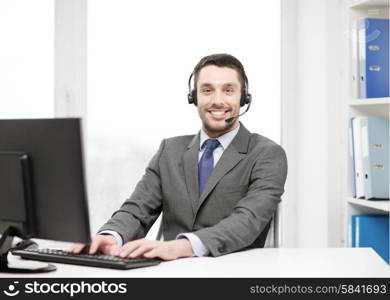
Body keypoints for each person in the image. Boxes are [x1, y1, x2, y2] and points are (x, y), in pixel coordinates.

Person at [67, 53, 288, 260]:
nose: (217, 100)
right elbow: (137, 209)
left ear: (244, 97)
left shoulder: (267, 154)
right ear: (194, 97)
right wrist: (110, 236)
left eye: (228, 90)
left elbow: (247, 221)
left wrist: (182, 246)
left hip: (234, 272)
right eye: (207, 90)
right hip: (172, 273)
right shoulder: (169, 151)